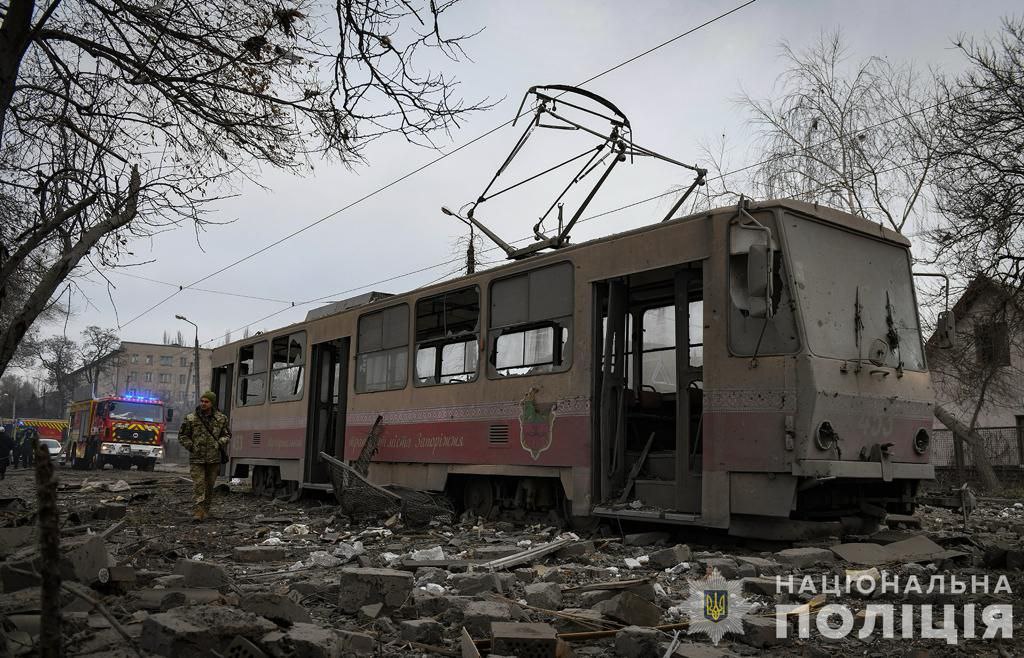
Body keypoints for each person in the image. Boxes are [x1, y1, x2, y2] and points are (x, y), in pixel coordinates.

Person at [178, 391, 231, 522]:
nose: (203, 403)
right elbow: (182, 436)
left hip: (214, 459)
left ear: (212, 403)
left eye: (206, 401)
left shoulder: (221, 419)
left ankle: (205, 510)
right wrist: (191, 446)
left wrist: (220, 443)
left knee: (209, 485)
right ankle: (198, 511)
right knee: (199, 484)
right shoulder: (191, 418)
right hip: (197, 458)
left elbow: (227, 434)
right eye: (202, 401)